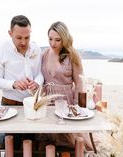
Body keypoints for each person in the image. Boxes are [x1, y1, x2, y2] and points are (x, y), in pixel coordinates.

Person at [0, 15, 43, 150]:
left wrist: (37, 82)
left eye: (27, 37)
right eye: (19, 38)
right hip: (9, 104)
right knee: (8, 143)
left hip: (32, 104)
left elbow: (40, 74)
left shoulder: (37, 49)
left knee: (32, 142)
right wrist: (13, 84)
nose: (24, 42)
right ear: (10, 33)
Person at [38, 21, 93, 151]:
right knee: (46, 139)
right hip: (47, 101)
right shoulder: (44, 54)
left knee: (68, 141)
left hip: (65, 101)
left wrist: (75, 104)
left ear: (65, 39)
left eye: (57, 40)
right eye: (50, 39)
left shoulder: (72, 55)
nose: (53, 43)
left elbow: (79, 82)